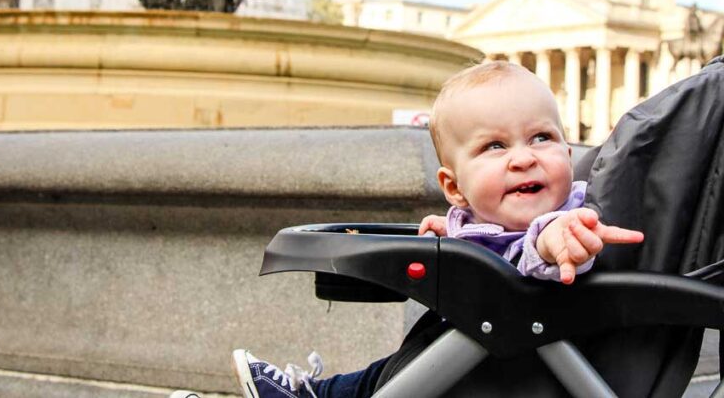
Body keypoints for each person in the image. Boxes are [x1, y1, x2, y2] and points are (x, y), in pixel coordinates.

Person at [224, 61, 644, 398]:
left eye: (541, 138)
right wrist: (462, 236)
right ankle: (319, 393)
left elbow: (542, 249)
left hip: (511, 368)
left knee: (412, 363)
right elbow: (505, 239)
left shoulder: (569, 220)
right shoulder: (497, 219)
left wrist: (559, 245)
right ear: (455, 188)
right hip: (477, 356)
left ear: (569, 158)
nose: (522, 158)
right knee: (396, 366)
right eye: (494, 146)